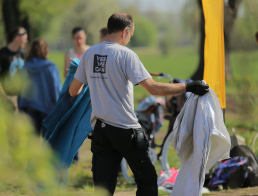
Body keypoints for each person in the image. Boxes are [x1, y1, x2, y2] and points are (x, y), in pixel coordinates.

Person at [69, 13, 209, 196]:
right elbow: (154, 89)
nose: (129, 39)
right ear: (124, 31)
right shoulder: (127, 55)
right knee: (148, 181)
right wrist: (189, 86)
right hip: (125, 129)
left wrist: (98, 86)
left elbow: (73, 91)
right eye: (130, 35)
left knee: (103, 189)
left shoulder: (89, 54)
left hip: (101, 132)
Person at [18, 38, 61, 137]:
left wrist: (20, 108)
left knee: (31, 144)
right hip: (48, 110)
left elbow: (19, 89)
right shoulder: (51, 67)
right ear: (46, 50)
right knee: (48, 145)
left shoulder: (24, 67)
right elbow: (56, 90)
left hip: (28, 109)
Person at [0, 27, 28, 110]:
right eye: (25, 38)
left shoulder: (23, 53)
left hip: (21, 98)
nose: (26, 41)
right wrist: (5, 98)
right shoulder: (2, 54)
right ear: (17, 38)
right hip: (6, 97)